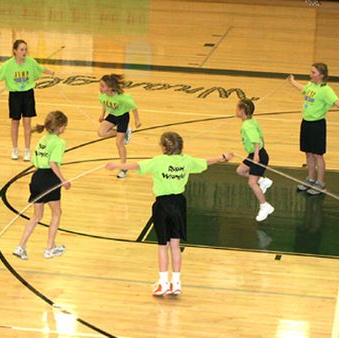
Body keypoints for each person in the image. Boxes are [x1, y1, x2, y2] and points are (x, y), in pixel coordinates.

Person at [106, 132, 233, 296]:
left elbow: (137, 166)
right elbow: (206, 161)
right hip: (179, 205)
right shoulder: (186, 161)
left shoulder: (158, 162)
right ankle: (176, 282)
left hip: (163, 206)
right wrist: (223, 156)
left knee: (162, 246)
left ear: (164, 147)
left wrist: (117, 165)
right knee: (175, 245)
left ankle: (164, 283)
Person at [0, 39, 54, 161]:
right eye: (21, 49)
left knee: (27, 123)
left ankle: (27, 150)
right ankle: (15, 149)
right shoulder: (8, 65)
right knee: (15, 122)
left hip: (28, 95)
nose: (24, 52)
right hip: (15, 96)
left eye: (25, 49)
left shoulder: (30, 62)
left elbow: (40, 68)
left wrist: (51, 72)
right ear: (15, 51)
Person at [13, 111, 71, 260]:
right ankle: (50, 248)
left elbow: (35, 160)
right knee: (57, 213)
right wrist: (63, 180)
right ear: (60, 127)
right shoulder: (59, 142)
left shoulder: (42, 139)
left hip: (37, 178)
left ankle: (21, 247)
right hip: (49, 179)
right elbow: (52, 163)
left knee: (37, 215)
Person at [288, 63, 339, 195]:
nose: (310, 74)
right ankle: (311, 179)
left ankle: (320, 183)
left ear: (321, 75)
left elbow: (335, 100)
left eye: (313, 72)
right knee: (308, 153)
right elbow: (303, 89)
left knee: (318, 155)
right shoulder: (311, 85)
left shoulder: (326, 90)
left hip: (317, 125)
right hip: (306, 123)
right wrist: (292, 81)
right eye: (310, 71)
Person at [235, 99, 274, 221]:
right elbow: (261, 136)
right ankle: (263, 181)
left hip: (257, 156)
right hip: (255, 154)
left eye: (237, 108)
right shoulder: (252, 121)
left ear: (242, 111)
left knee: (252, 183)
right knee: (240, 171)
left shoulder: (247, 125)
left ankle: (265, 206)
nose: (235, 110)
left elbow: (256, 140)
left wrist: (257, 156)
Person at [98, 74, 142, 179]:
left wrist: (137, 119)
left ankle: (123, 167)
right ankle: (125, 133)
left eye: (102, 86)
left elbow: (134, 107)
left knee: (119, 143)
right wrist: (102, 114)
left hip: (122, 117)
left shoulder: (122, 98)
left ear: (110, 87)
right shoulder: (102, 94)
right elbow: (104, 103)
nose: (100, 88)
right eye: (100, 85)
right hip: (112, 115)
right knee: (101, 133)